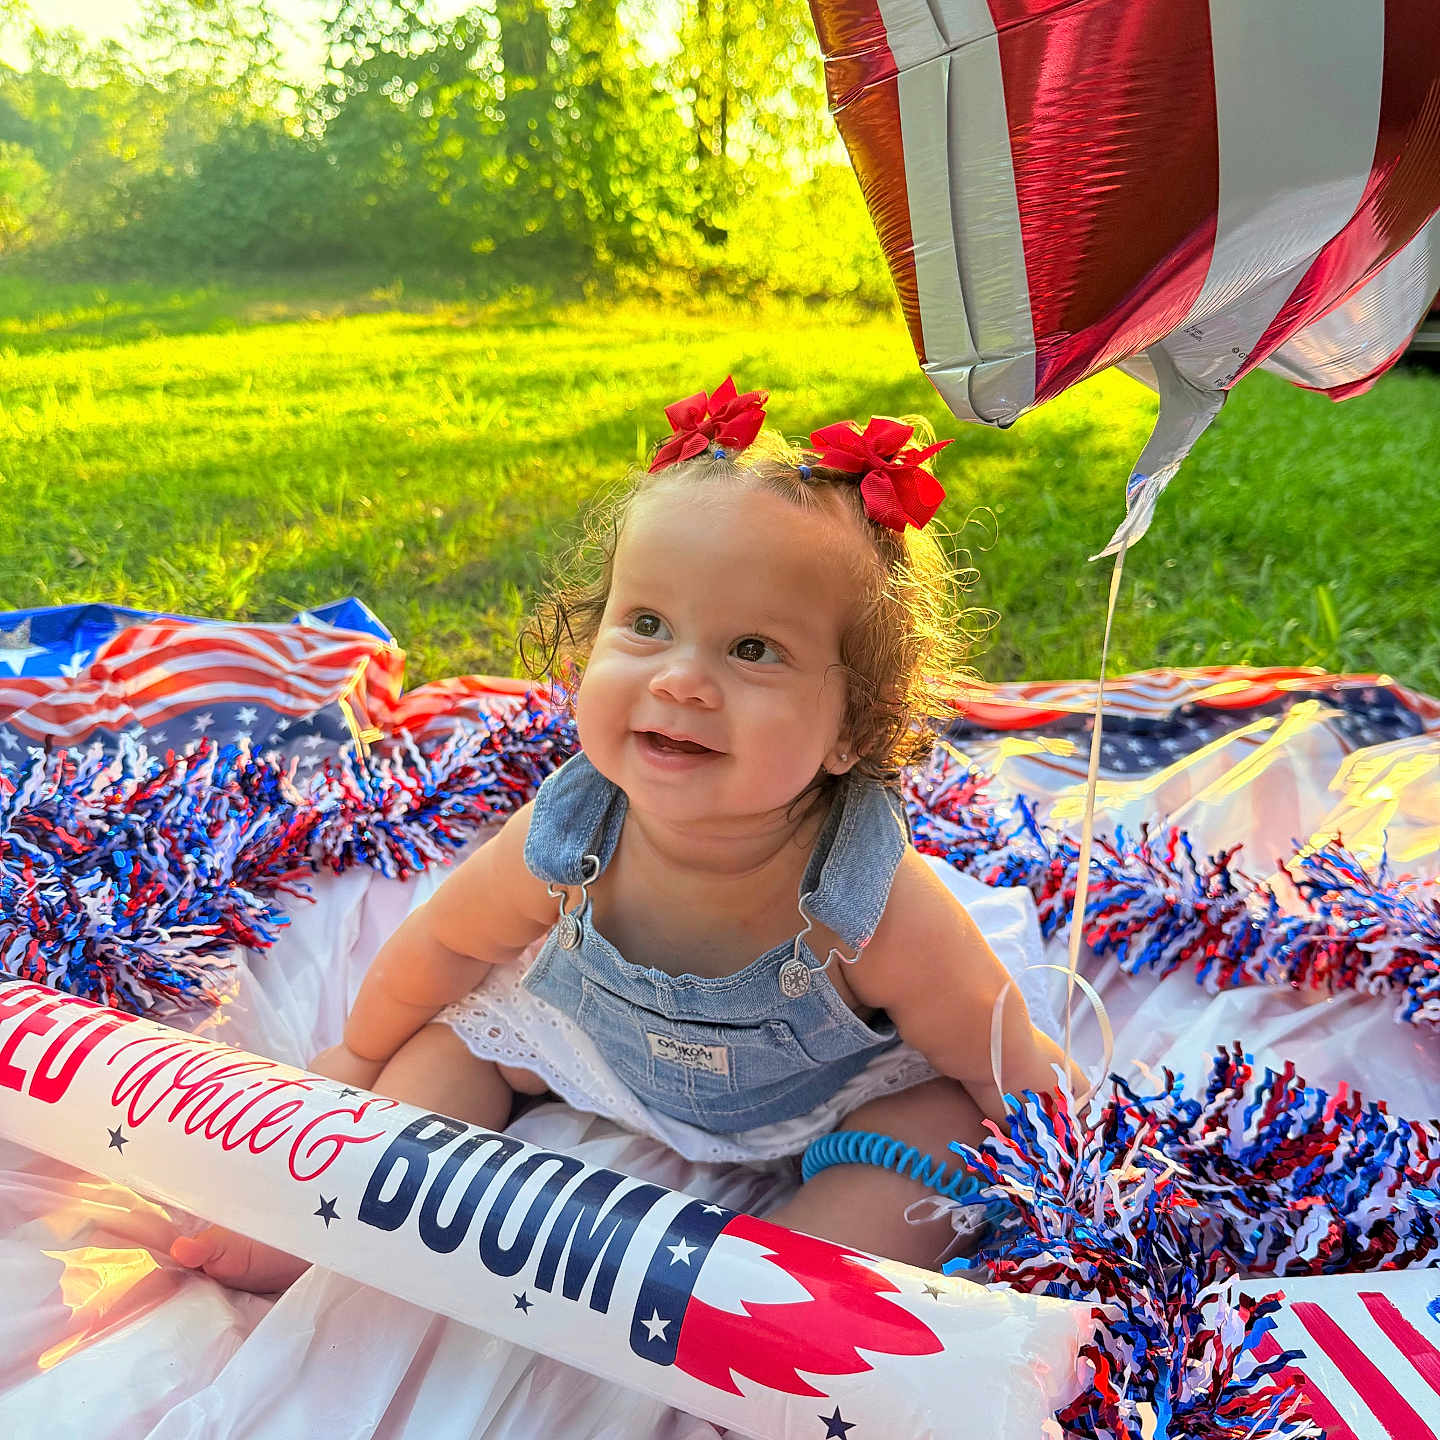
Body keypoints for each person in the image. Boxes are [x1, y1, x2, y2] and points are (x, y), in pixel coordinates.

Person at [171, 378, 1075, 1293]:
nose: (679, 679)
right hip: (600, 1053)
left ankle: (760, 1297)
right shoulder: (569, 834)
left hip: (825, 1099)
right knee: (451, 1043)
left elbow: (998, 1053)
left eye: (753, 650)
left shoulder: (871, 901)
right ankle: (335, 1207)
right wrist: (359, 1059)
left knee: (945, 1130)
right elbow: (446, 942)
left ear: (854, 726)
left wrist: (1062, 1145)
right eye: (647, 625)